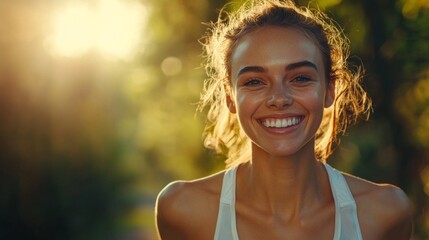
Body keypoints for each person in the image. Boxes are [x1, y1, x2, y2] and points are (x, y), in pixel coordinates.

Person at [155, 0, 413, 239]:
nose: (279, 98)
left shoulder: (385, 213)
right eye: (255, 81)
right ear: (230, 97)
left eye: (300, 78)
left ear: (330, 89)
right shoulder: (182, 210)